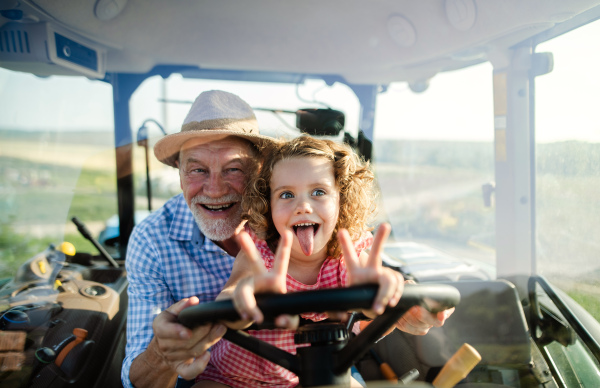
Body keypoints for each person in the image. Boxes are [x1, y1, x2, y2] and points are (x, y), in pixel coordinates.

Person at [122, 90, 454, 388]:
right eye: (196, 170)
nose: (215, 188)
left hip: (313, 373)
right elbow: (236, 290)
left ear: (259, 175)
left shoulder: (341, 247)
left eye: (233, 169)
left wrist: (385, 292)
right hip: (227, 376)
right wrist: (247, 300)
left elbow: (374, 280)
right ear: (179, 172)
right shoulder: (161, 240)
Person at [192, 136, 409, 388]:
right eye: (286, 195)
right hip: (233, 379)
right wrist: (242, 299)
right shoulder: (259, 255)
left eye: (319, 192)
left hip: (310, 378)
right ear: (267, 205)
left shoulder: (347, 256)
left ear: (342, 200)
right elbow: (231, 298)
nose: (303, 206)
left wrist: (377, 292)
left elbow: (372, 304)